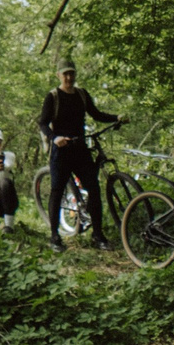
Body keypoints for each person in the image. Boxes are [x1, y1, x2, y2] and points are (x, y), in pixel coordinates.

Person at [38, 60, 122, 248]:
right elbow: (43, 123)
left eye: (72, 74)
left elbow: (96, 114)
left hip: (80, 150)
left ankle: (98, 235)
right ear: (59, 75)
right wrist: (54, 138)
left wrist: (116, 118)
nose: (69, 77)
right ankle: (54, 237)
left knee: (94, 189)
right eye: (65, 74)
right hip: (61, 151)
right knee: (57, 191)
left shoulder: (82, 95)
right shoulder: (53, 96)